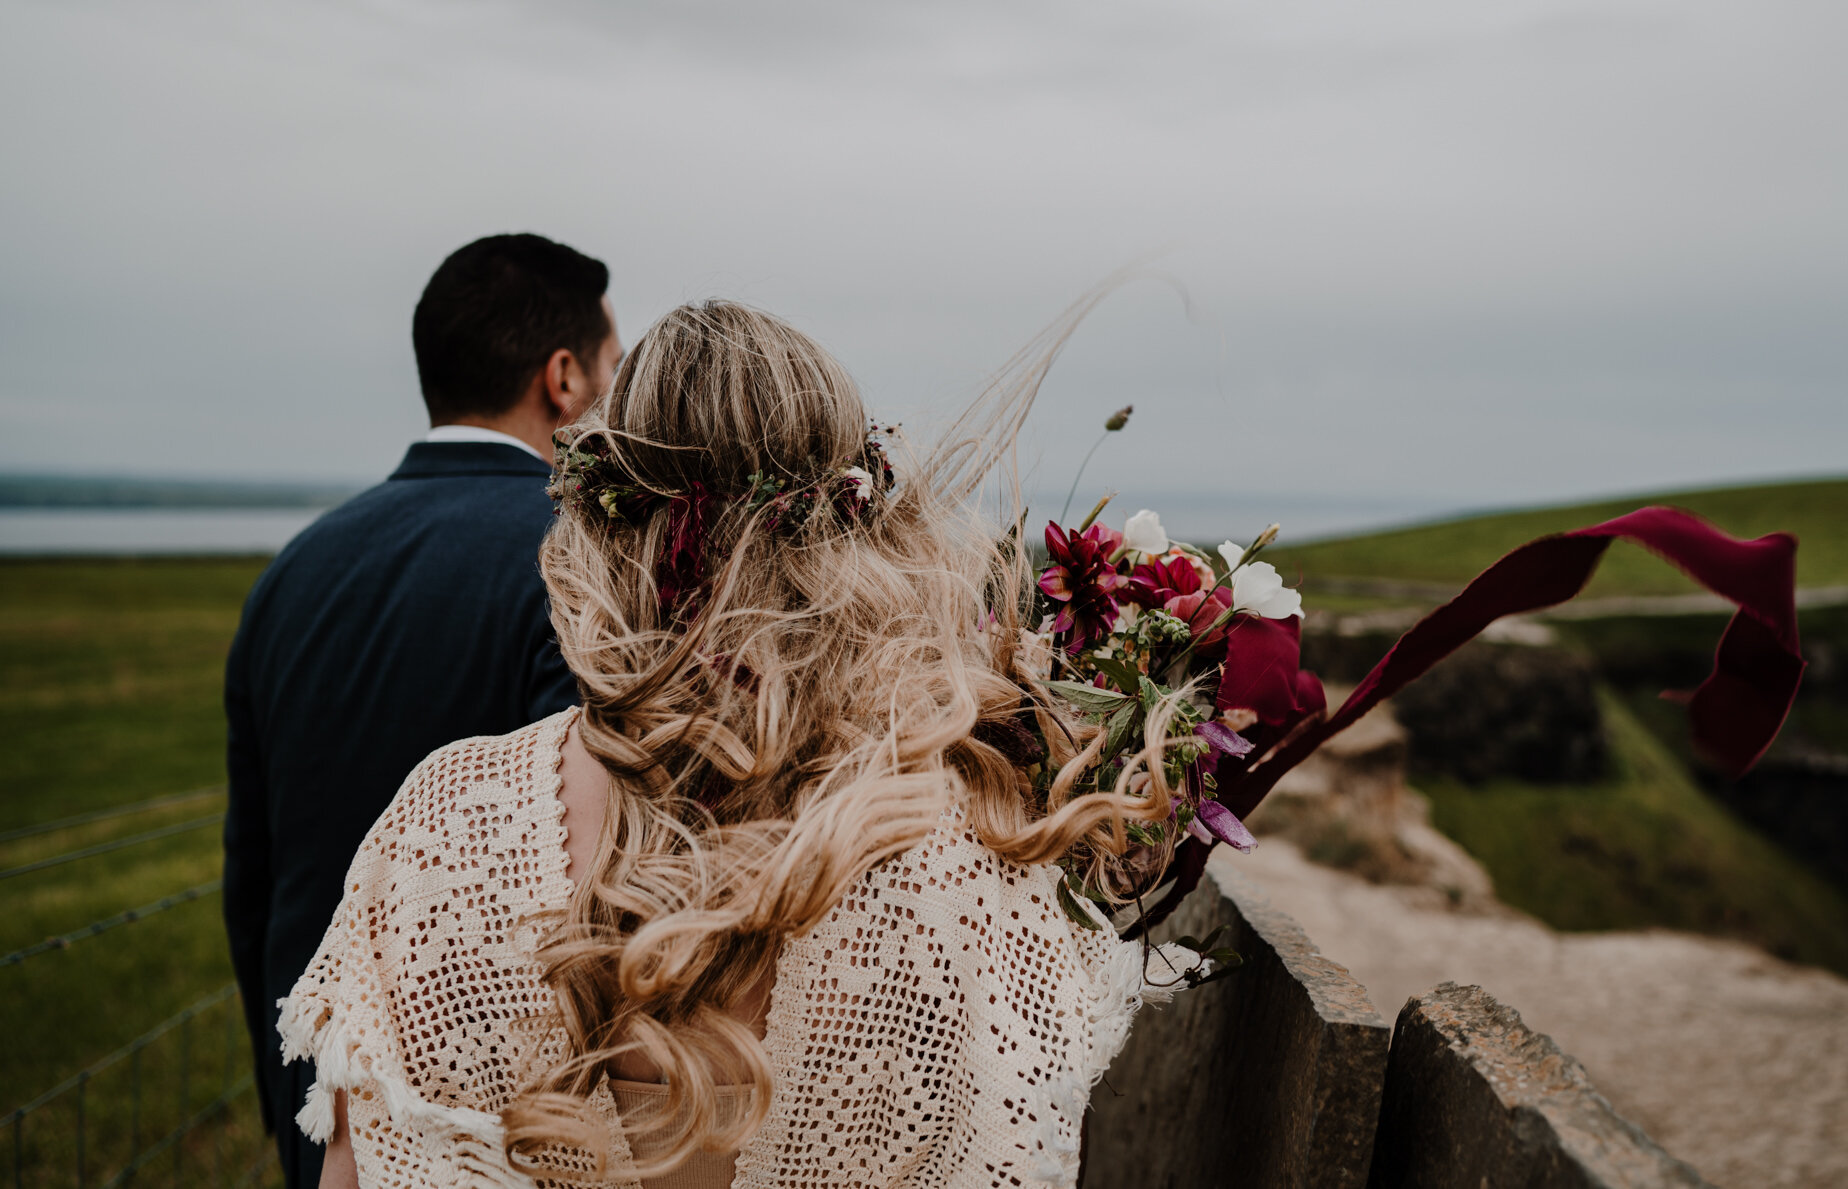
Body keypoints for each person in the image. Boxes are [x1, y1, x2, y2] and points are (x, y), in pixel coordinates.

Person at [276, 301, 1192, 1189]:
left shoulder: (448, 816)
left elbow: (355, 1171)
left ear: (603, 520)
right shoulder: (968, 839)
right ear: (858, 525)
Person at [224, 234, 624, 1189]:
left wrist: (298, 1104)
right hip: (496, 1128)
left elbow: (254, 875)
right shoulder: (575, 566)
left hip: (326, 1098)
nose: (615, 399)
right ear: (561, 379)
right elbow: (577, 872)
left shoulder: (293, 572)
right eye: (612, 369)